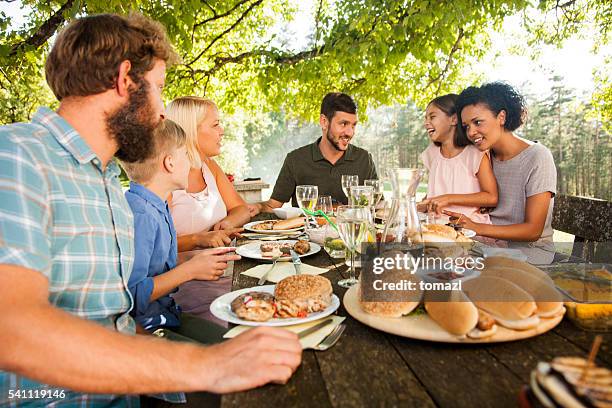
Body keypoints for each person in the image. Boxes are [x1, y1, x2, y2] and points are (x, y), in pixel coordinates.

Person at [0, 13, 301, 407]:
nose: (162, 113)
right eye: (159, 87)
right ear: (126, 80)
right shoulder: (17, 156)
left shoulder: (106, 179)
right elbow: (12, 329)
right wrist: (205, 364)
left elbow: (119, 318)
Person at [121, 119, 240, 339]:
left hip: (169, 313)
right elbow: (131, 296)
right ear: (170, 163)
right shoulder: (141, 215)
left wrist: (200, 261)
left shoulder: (157, 205)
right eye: (186, 155)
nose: (192, 163)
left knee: (236, 339)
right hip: (148, 328)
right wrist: (190, 270)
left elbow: (157, 265)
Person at [445, 82, 557, 264]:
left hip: (529, 253)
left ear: (501, 117)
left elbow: (533, 230)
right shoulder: (483, 157)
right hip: (486, 245)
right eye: (466, 126)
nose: (471, 132)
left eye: (477, 122)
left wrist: (476, 227)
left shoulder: (537, 156)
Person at [165, 96, 250, 323]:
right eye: (215, 124)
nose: (222, 131)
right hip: (191, 286)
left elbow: (241, 208)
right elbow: (156, 249)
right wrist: (199, 238)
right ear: (191, 130)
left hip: (227, 274)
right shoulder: (168, 176)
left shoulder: (209, 167)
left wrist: (227, 223)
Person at [248, 92, 378, 215]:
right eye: (343, 124)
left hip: (350, 235)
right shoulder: (296, 160)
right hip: (305, 237)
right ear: (324, 122)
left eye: (353, 125)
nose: (350, 132)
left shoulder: (364, 159)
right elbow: (273, 205)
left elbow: (377, 205)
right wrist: (259, 207)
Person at [418, 93, 497, 223]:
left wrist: (448, 198)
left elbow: (491, 197)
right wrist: (423, 203)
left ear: (454, 119)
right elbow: (436, 191)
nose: (426, 123)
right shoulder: (431, 154)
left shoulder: (475, 154)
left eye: (432, 117)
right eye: (425, 118)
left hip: (470, 227)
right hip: (436, 225)